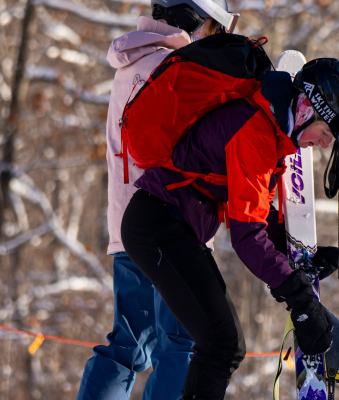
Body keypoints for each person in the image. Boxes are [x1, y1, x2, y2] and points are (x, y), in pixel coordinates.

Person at [120, 58, 339, 399]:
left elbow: (254, 211)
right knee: (221, 343)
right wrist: (301, 300)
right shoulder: (254, 131)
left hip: (170, 225)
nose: (325, 144)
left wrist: (293, 254)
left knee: (222, 343)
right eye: (326, 133)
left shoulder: (268, 129)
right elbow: (246, 237)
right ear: (305, 109)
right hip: (158, 225)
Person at [76, 1, 237, 399]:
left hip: (127, 224)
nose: (212, 37)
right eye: (212, 26)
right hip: (169, 224)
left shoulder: (132, 60)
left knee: (129, 344)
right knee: (182, 339)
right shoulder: (173, 69)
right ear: (193, 18)